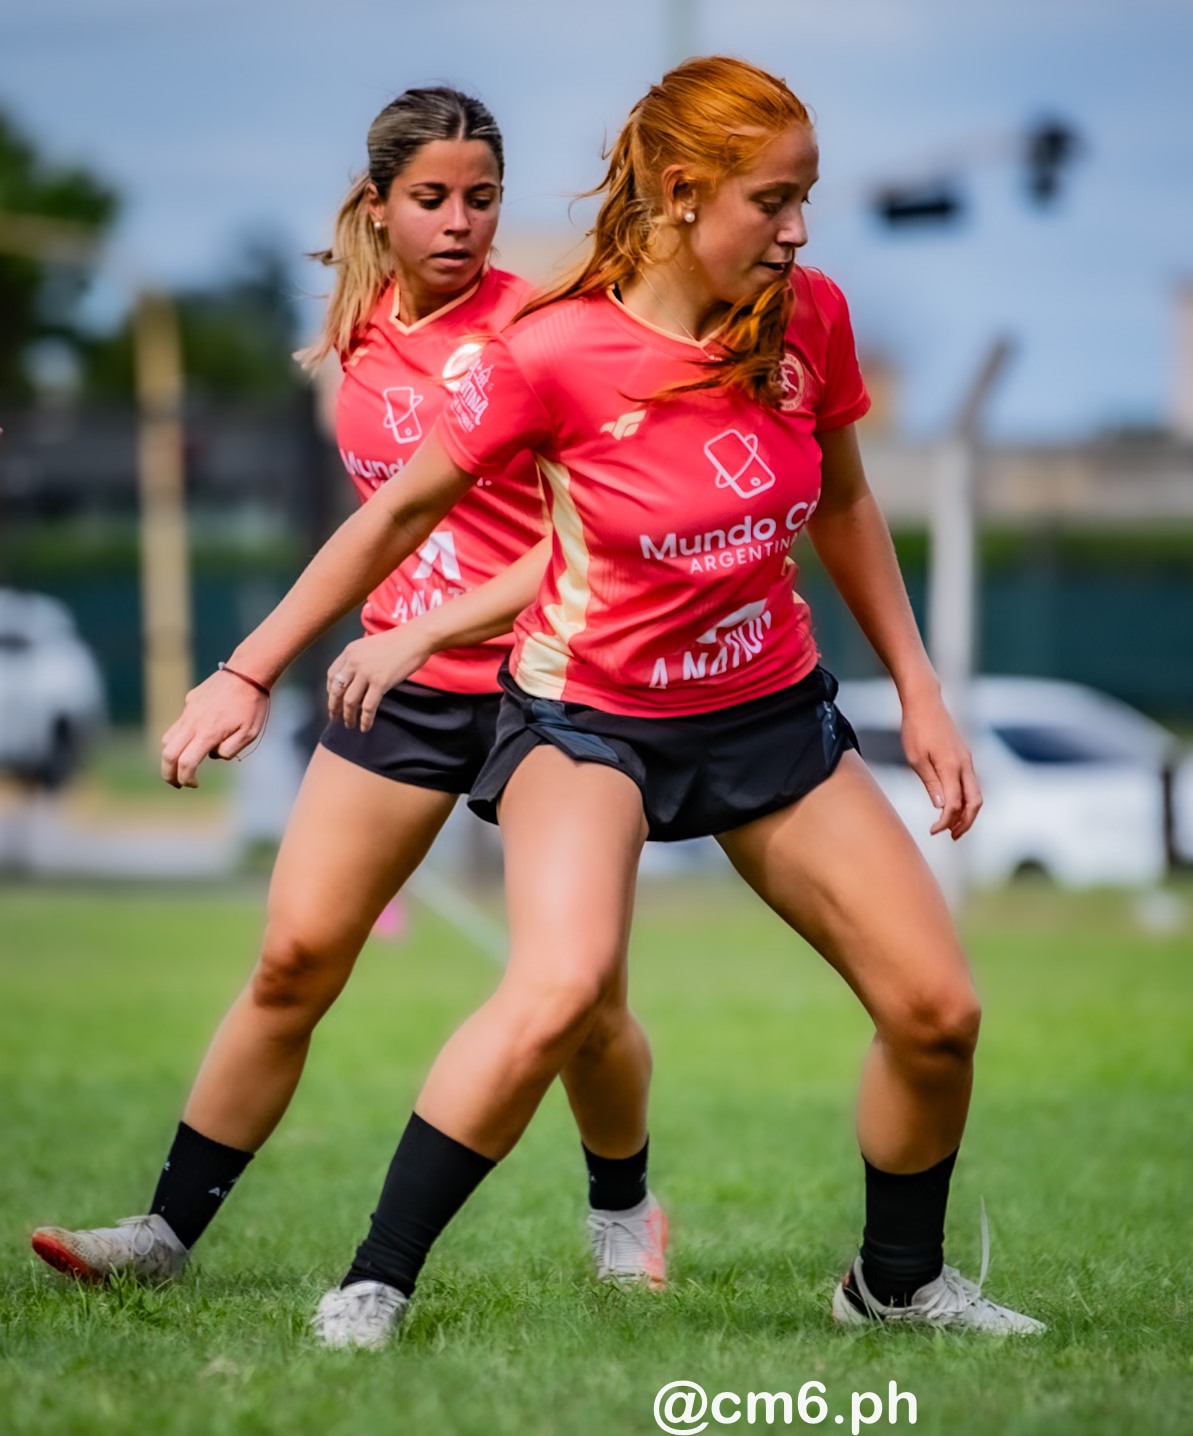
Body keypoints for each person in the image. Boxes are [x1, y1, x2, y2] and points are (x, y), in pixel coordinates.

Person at [154, 56, 1043, 1348]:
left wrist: (918, 691)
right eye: (771, 202)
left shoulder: (809, 317)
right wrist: (245, 667)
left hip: (767, 713)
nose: (797, 231)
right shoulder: (552, 350)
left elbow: (844, 505)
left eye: (806, 201)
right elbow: (395, 516)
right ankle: (374, 1284)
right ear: (682, 194)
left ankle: (893, 1285)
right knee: (559, 988)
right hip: (587, 721)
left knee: (935, 1013)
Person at [28, 87, 666, 1296]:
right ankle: (162, 1235)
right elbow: (377, 532)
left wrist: (422, 627)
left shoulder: (540, 330)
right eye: (431, 198)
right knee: (293, 959)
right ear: (379, 202)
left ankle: (623, 1207)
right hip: (401, 689)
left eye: (481, 197)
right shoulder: (362, 330)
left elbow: (583, 540)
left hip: (549, 687)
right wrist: (245, 671)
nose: (461, 221)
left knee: (581, 999)